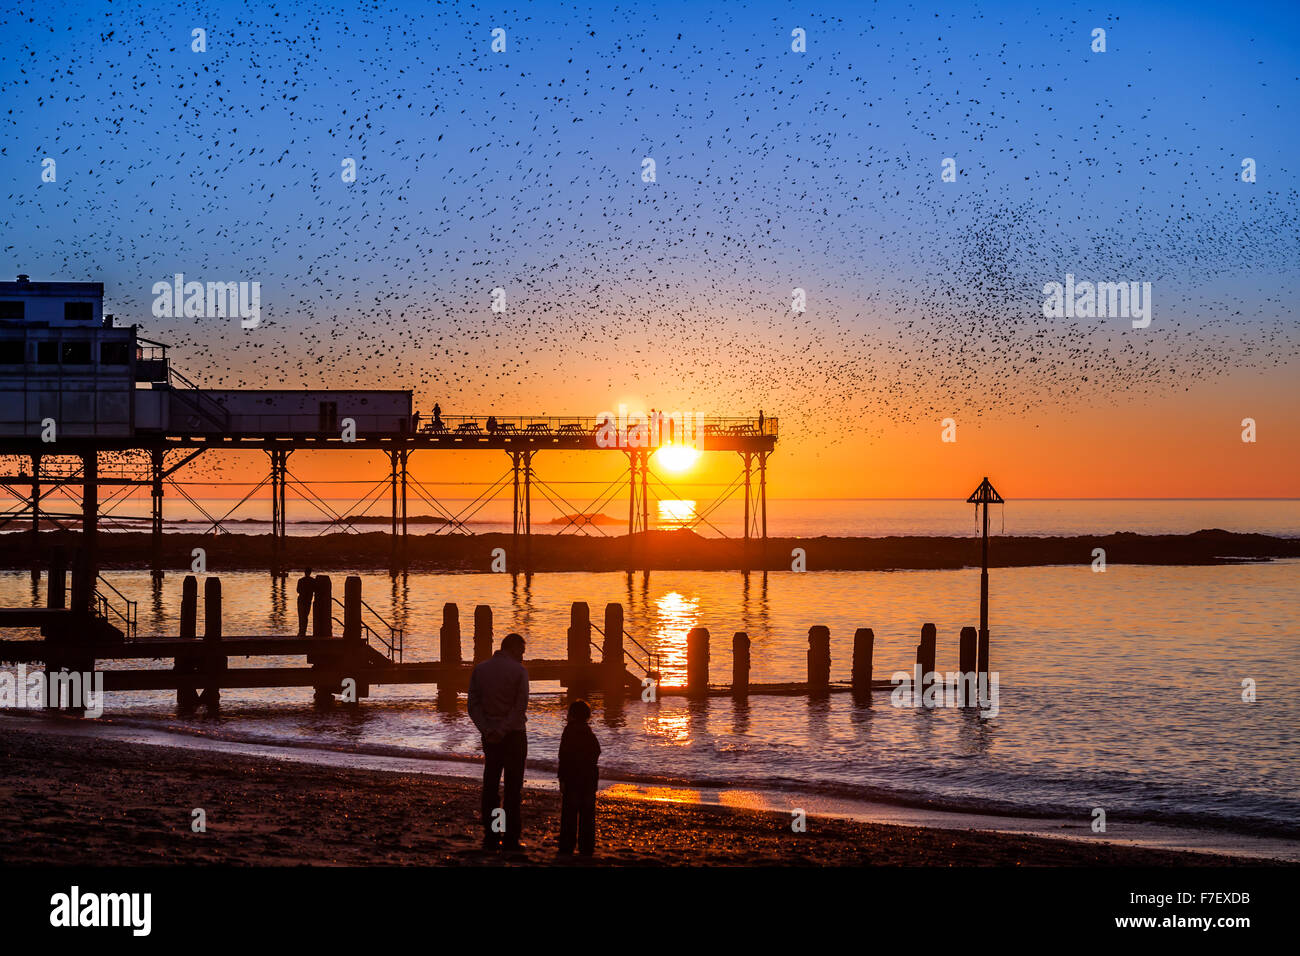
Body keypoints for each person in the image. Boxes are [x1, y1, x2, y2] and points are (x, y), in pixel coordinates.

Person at [468, 633, 529, 851]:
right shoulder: (519, 671)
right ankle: (511, 836)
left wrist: (487, 729)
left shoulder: (480, 669)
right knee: (513, 788)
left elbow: (473, 705)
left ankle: (492, 832)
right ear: (512, 649)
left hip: (490, 736)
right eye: (521, 652)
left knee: (491, 785)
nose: (522, 657)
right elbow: (520, 707)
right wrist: (503, 730)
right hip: (514, 736)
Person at [557, 699, 601, 857]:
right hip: (588, 779)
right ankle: (586, 847)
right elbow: (597, 751)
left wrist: (561, 778)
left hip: (572, 778)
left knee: (569, 814)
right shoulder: (588, 732)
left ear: (571, 716)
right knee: (587, 815)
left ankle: (566, 846)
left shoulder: (569, 731)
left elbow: (563, 756)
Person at [295, 568, 315, 637]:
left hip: (301, 600)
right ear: (310, 572)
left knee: (301, 616)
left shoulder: (300, 580)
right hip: (308, 600)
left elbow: (298, 590)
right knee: (305, 616)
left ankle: (301, 631)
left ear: (305, 572)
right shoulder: (313, 581)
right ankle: (303, 632)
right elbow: (315, 590)